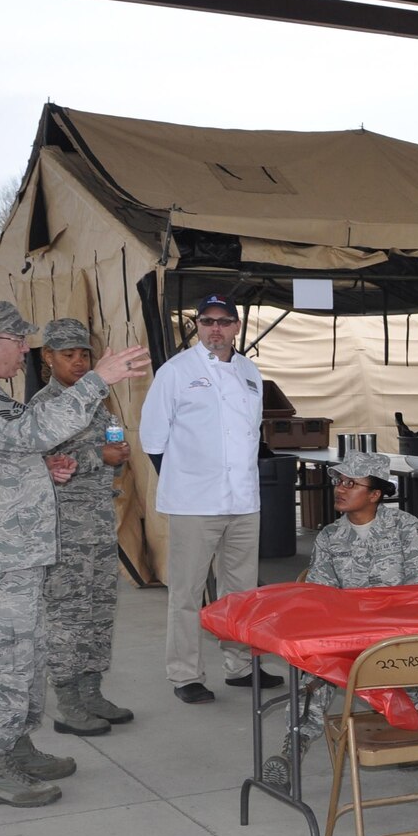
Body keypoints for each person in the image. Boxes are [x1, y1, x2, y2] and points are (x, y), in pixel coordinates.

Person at [0, 299, 150, 806]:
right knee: (3, 665)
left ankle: (18, 746)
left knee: (25, 660)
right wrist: (99, 378)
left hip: (14, 556)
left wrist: (39, 469)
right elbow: (35, 429)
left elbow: (12, 450)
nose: (24, 352)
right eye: (18, 342)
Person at [262, 451, 418, 786]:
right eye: (339, 482)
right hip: (346, 633)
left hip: (396, 633)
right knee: (314, 670)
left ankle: (408, 727)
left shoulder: (405, 529)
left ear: (374, 494)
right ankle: (293, 746)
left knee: (399, 666)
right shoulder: (329, 537)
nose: (340, 489)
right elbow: (320, 596)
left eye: (351, 484)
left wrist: (382, 624)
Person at [140, 295, 277, 705]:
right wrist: (185, 481)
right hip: (194, 504)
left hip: (243, 501)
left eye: (224, 321)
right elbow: (152, 437)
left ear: (236, 327)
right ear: (197, 326)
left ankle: (239, 665)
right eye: (207, 321)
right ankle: (185, 674)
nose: (215, 328)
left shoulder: (250, 371)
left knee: (240, 590)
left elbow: (249, 434)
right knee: (187, 592)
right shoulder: (176, 372)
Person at [31, 318, 136, 738]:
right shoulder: (45, 407)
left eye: (84, 355)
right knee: (68, 618)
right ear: (48, 357)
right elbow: (42, 467)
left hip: (97, 526)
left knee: (98, 613)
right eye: (68, 354)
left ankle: (92, 692)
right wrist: (101, 458)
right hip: (64, 531)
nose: (78, 362)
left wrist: (119, 454)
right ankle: (68, 703)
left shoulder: (96, 402)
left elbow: (105, 455)